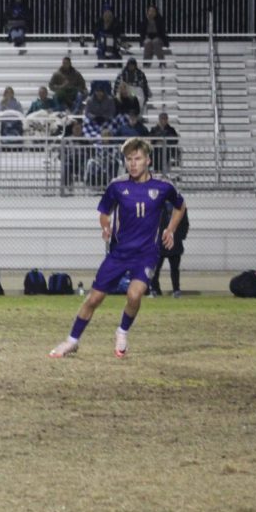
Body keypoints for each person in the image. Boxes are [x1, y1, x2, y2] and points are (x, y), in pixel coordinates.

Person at [50, 138, 184, 358]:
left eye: (137, 158)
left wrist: (170, 230)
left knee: (134, 294)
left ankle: (122, 331)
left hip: (146, 254)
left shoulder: (163, 186)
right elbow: (104, 213)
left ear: (148, 160)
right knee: (94, 299)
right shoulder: (117, 186)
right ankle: (71, 341)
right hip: (119, 253)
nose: (133, 163)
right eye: (129, 159)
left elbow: (180, 206)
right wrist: (105, 226)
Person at [151, 205, 189, 298]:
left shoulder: (180, 207)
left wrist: (179, 237)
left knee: (175, 269)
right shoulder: (157, 205)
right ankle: (155, 290)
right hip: (159, 243)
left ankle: (176, 290)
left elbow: (185, 224)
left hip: (175, 243)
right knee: (155, 268)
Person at [60, 120, 90, 192]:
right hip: (70, 161)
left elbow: (91, 152)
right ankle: (67, 186)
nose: (77, 130)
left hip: (82, 161)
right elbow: (61, 154)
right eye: (75, 129)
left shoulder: (85, 140)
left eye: (79, 129)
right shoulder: (67, 140)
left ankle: (85, 187)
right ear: (72, 129)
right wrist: (65, 157)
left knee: (87, 165)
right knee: (66, 165)